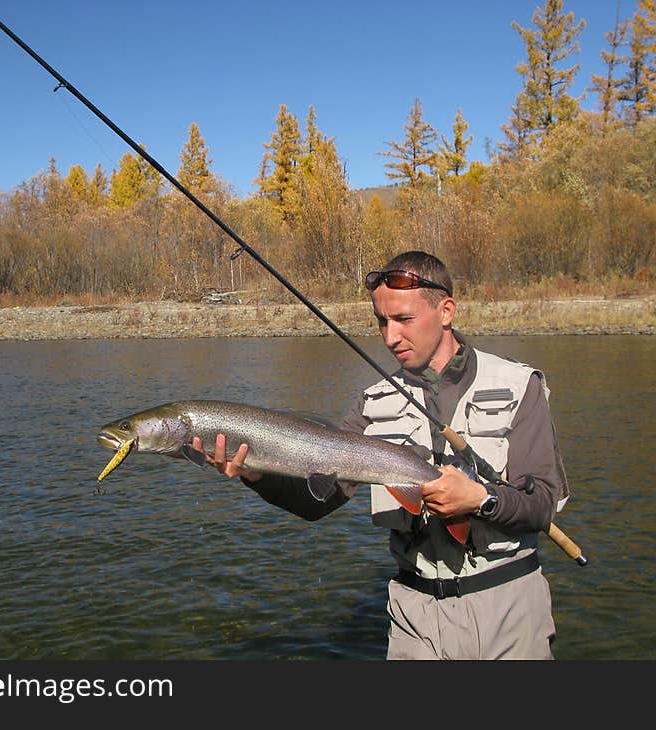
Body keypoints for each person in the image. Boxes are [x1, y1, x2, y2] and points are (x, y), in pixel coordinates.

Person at [193, 250, 570, 660]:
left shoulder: (518, 385)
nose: (390, 337)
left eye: (404, 320)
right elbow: (318, 501)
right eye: (381, 322)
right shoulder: (373, 402)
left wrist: (482, 499)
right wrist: (254, 470)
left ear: (446, 311)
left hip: (508, 607)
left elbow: (544, 503)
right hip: (413, 616)